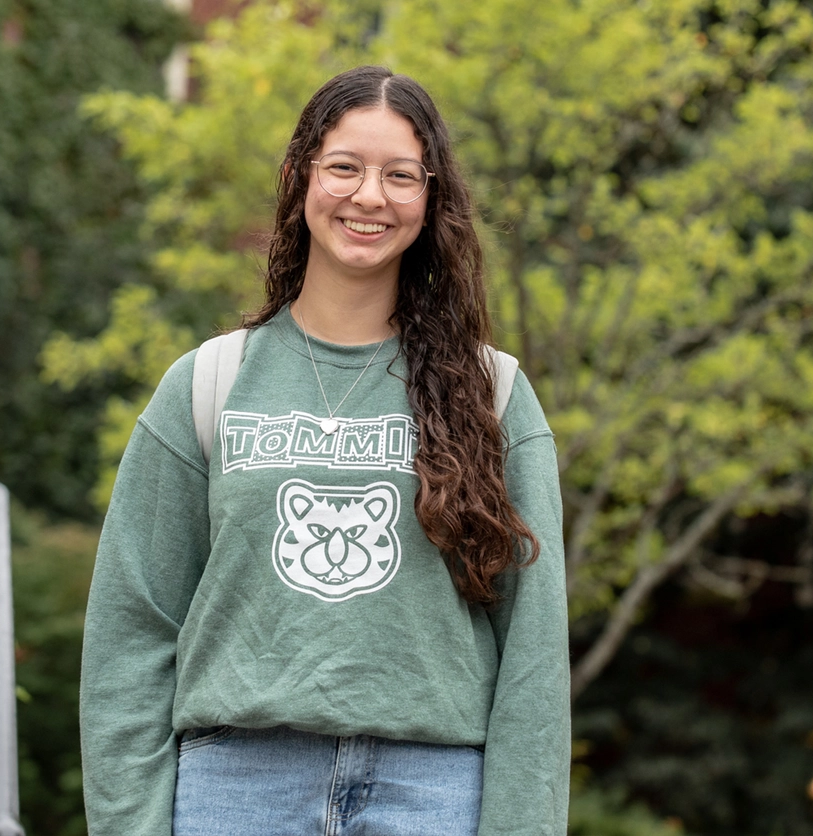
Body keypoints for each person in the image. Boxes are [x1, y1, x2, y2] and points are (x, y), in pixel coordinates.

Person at [79, 65, 570, 835]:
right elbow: (131, 627)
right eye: (344, 167)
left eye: (400, 176)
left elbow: (535, 649)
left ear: (431, 198)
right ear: (298, 178)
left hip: (436, 793)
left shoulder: (494, 394)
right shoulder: (208, 383)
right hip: (234, 787)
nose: (369, 196)